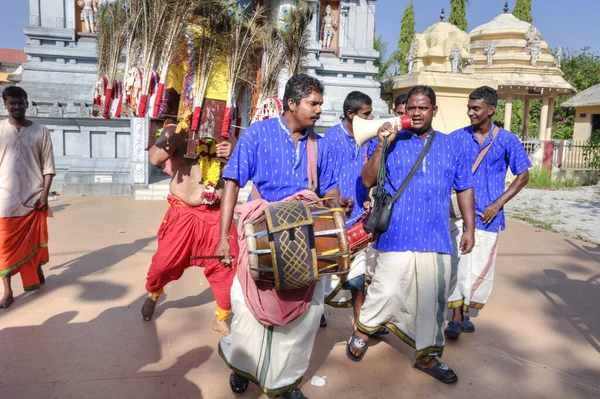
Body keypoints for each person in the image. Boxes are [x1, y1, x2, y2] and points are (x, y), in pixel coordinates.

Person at [216, 74, 348, 399]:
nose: (319, 109)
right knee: (247, 309)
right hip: (259, 236)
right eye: (312, 103)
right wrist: (223, 237)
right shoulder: (258, 134)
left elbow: (328, 186)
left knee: (302, 317)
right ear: (292, 103)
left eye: (320, 103)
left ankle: (286, 380)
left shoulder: (320, 143)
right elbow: (232, 180)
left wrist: (335, 204)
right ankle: (242, 366)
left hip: (305, 241)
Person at [346, 85, 475, 384]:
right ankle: (364, 329)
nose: (416, 113)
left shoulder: (451, 145)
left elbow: (465, 187)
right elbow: (366, 179)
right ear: (404, 111)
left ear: (434, 111)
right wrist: (382, 145)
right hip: (397, 234)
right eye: (411, 108)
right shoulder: (392, 142)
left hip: (435, 237)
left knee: (433, 301)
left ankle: (428, 357)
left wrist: (469, 228)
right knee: (386, 290)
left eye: (423, 108)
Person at [445, 86, 531, 339]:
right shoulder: (456, 138)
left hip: (488, 217)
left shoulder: (507, 140)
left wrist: (498, 203)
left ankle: (465, 309)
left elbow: (523, 175)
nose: (470, 113)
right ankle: (455, 318)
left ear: (491, 110)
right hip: (459, 214)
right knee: (457, 265)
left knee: (477, 267)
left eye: (476, 108)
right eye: (469, 108)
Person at [140, 117, 238, 336]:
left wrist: (232, 153)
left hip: (217, 213)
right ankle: (154, 292)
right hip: (183, 211)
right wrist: (178, 132)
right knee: (164, 264)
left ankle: (221, 316)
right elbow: (155, 158)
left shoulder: (227, 134)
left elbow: (244, 169)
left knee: (228, 263)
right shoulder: (174, 129)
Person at [321, 91, 387, 335]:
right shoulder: (330, 138)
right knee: (324, 272)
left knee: (358, 275)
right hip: (333, 216)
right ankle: (317, 312)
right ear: (351, 114)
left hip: (359, 214)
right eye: (366, 114)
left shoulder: (370, 140)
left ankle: (360, 320)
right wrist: (334, 201)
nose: (371, 118)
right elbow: (323, 178)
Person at [0, 86, 55, 309]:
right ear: (5, 105)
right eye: (11, 103)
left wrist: (44, 196)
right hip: (6, 199)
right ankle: (8, 290)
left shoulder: (41, 131)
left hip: (34, 196)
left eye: (20, 102)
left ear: (27, 103)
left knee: (35, 240)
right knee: (4, 245)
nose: (16, 107)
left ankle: (37, 268)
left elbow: (48, 167)